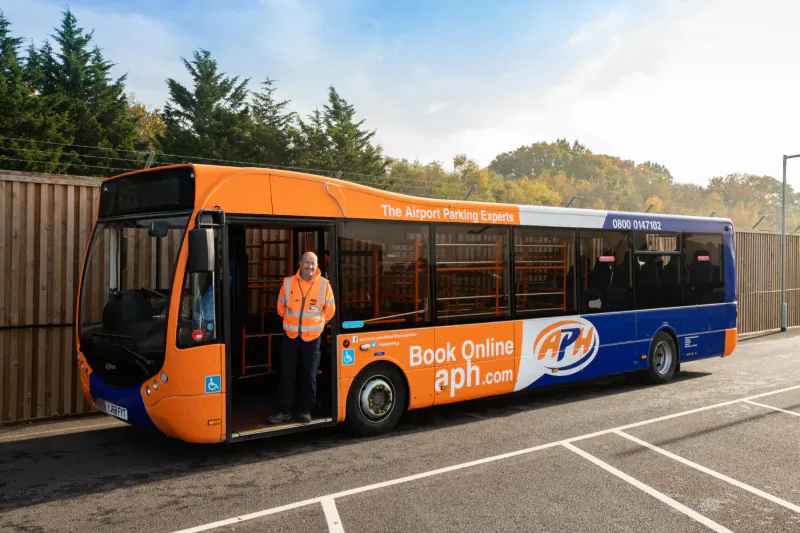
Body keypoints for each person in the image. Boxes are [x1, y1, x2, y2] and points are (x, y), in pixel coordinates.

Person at [269, 252, 336, 424]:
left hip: (313, 339)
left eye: (313, 263)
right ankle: (284, 411)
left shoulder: (324, 285)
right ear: (300, 263)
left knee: (309, 375)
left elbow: (330, 312)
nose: (310, 267)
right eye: (307, 263)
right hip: (291, 336)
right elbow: (280, 308)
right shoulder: (288, 282)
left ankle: (306, 410)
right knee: (287, 375)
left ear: (317, 264)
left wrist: (318, 325)